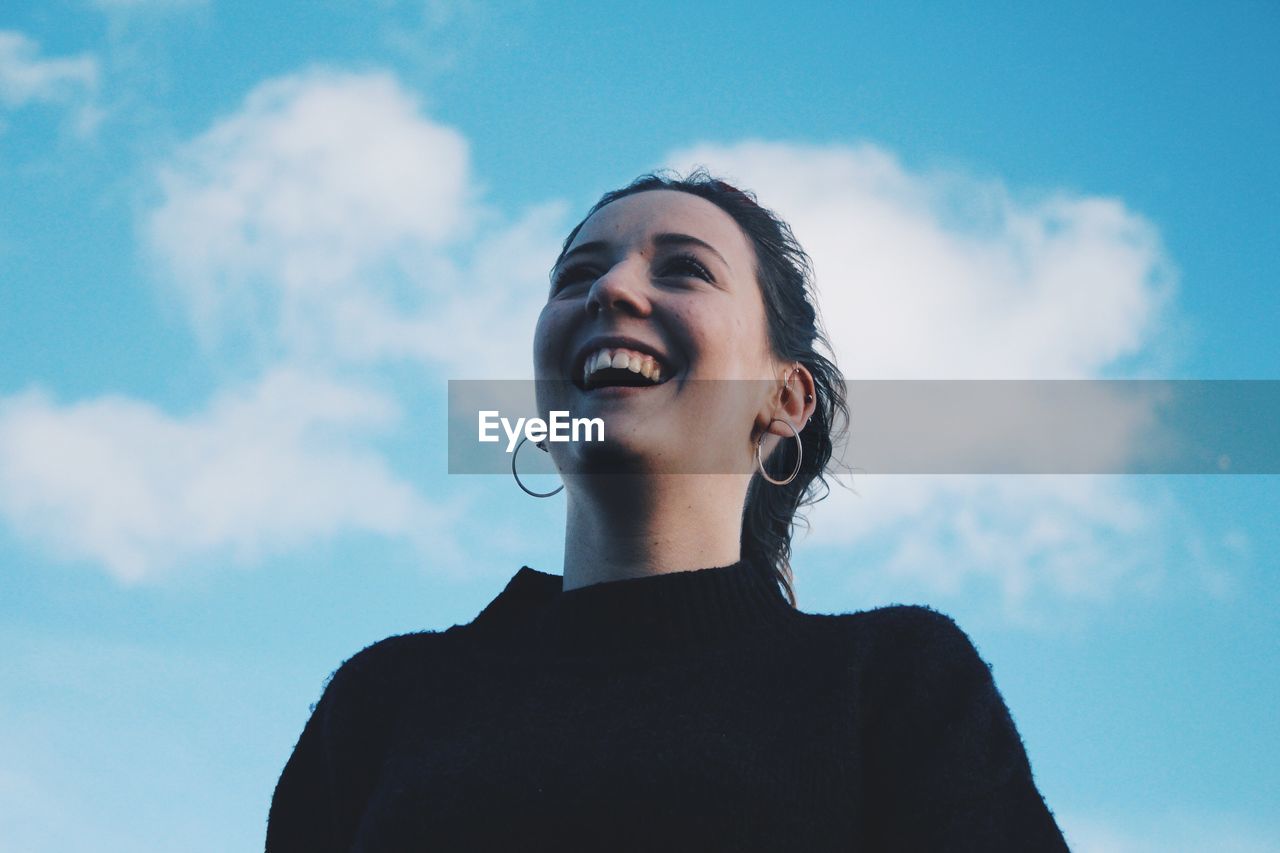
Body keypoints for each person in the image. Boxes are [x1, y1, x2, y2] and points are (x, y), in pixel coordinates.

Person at [265, 171, 1070, 851]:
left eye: (685, 270)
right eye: (577, 277)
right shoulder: (385, 700)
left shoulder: (893, 682)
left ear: (785, 398)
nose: (612, 288)